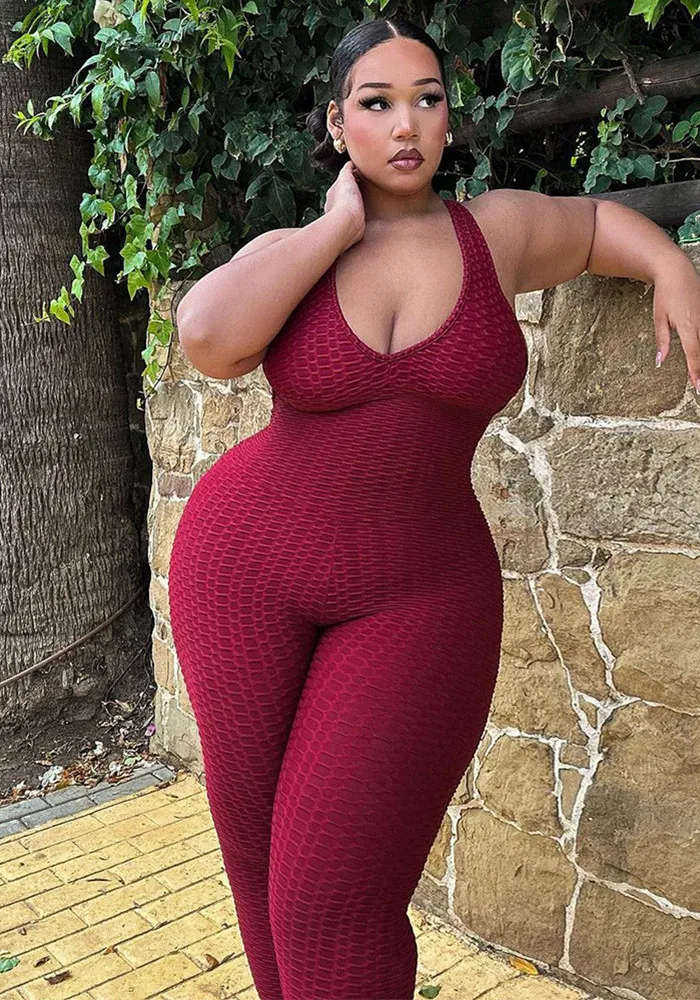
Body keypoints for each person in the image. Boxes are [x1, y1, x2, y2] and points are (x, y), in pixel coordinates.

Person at [168, 14, 700, 1000]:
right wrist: (336, 228)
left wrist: (670, 263)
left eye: (427, 98)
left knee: (331, 903)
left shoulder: (491, 233)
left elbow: (592, 229)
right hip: (243, 568)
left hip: (418, 595)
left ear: (450, 115)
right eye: (377, 103)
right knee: (255, 857)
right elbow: (208, 337)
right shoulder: (300, 249)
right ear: (338, 125)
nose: (407, 123)